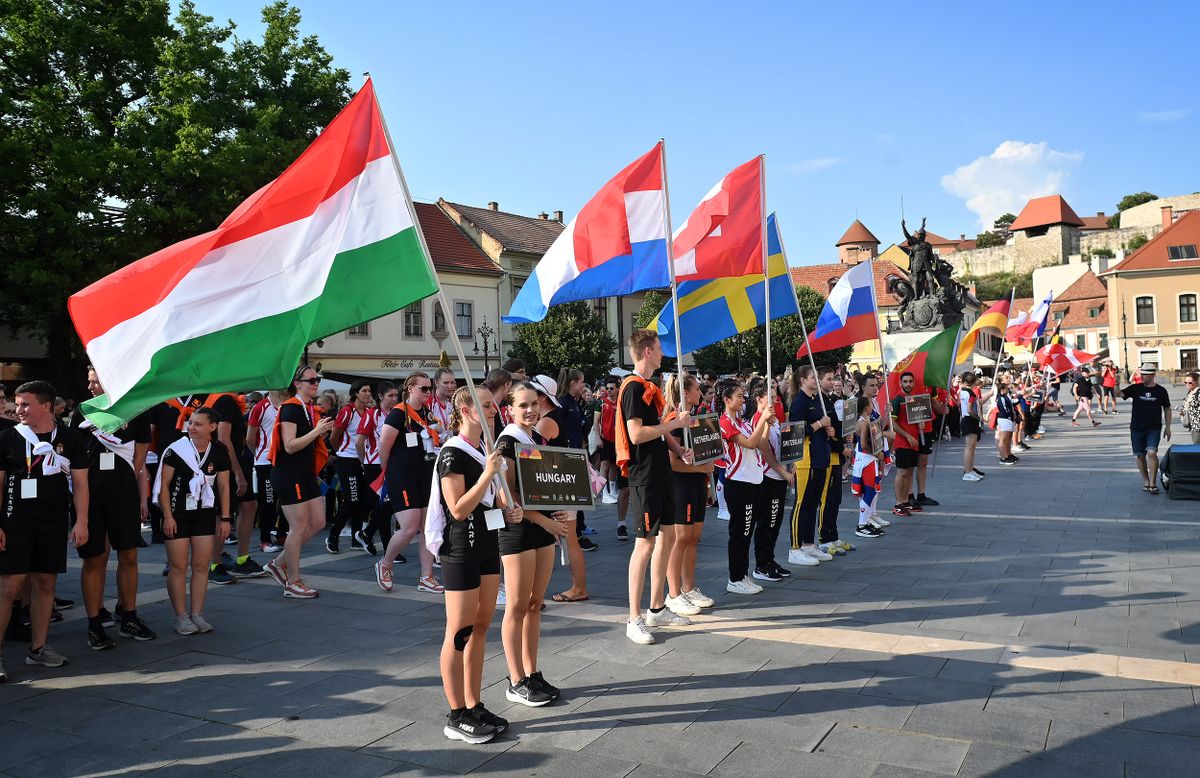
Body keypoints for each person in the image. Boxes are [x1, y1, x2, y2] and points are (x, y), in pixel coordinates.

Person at [432, 385, 516, 743]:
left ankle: (473, 702)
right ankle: (455, 714)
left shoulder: (484, 450)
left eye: (493, 405)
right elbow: (457, 508)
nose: (492, 410)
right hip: (460, 547)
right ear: (466, 411)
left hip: (485, 542)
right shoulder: (453, 452)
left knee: (481, 626)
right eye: (485, 406)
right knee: (459, 630)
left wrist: (505, 508)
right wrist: (487, 473)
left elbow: (486, 504)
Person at [0, 381, 90, 680]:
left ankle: (38, 648)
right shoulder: (8, 438)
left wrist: (81, 521)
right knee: (9, 587)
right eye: (17, 403)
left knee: (45, 585)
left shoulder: (70, 438)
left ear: (46, 406)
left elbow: (80, 484)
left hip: (52, 521)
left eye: (25, 403)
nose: (19, 409)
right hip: (15, 522)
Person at [71, 368, 156, 648]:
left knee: (129, 556)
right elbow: (73, 458)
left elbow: (139, 459)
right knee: (95, 559)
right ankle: (95, 623)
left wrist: (135, 495)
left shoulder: (136, 410)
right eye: (90, 380)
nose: (90, 385)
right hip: (91, 498)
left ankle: (129, 615)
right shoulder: (84, 412)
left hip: (124, 497)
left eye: (95, 380)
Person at [617, 330, 692, 645]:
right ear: (647, 351)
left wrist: (678, 448)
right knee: (645, 544)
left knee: (669, 536)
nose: (662, 354)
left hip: (660, 471)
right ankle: (634, 618)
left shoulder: (649, 387)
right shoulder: (634, 388)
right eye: (659, 349)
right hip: (644, 475)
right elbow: (637, 434)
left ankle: (657, 607)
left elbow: (658, 431)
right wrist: (674, 425)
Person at [495, 383, 566, 707]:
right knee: (518, 606)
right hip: (520, 533)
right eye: (523, 405)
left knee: (535, 604)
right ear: (509, 408)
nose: (530, 410)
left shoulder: (534, 439)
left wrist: (560, 505)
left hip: (542, 530)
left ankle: (532, 671)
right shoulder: (507, 441)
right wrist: (546, 520)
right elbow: (506, 497)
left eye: (534, 404)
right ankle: (515, 679)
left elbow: (543, 487)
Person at [157, 407, 230, 635]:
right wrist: (167, 516)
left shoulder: (219, 450)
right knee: (178, 566)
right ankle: (181, 616)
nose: (192, 427)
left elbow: (224, 486)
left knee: (201, 566)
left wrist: (226, 518)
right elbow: (163, 486)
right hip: (177, 514)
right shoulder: (175, 449)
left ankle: (197, 613)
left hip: (204, 513)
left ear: (212, 427)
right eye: (191, 422)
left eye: (198, 423)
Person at [263, 365, 333, 599]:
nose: (315, 384)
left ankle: (278, 564)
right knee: (299, 527)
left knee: (318, 522)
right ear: (298, 383)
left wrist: (319, 433)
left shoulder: (306, 407)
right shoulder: (291, 407)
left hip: (303, 472)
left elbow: (304, 444)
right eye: (311, 380)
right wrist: (317, 432)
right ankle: (293, 581)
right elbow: (290, 445)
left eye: (317, 380)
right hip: (288, 473)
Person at [374, 373, 442, 594]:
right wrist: (390, 472)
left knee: (427, 527)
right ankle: (385, 563)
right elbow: (383, 448)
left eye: (429, 389)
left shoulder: (427, 412)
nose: (428, 392)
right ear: (410, 388)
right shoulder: (398, 413)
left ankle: (426, 576)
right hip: (402, 475)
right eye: (424, 388)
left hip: (425, 473)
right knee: (409, 527)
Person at [662, 374, 714, 614]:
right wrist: (703, 468)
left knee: (694, 537)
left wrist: (708, 479)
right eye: (696, 390)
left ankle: (689, 587)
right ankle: (673, 593)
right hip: (680, 485)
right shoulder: (674, 420)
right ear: (685, 393)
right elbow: (672, 463)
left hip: (696, 483)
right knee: (681, 539)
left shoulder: (694, 419)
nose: (700, 394)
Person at [207, 390, 263, 581]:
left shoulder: (228, 400)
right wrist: (237, 472)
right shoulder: (224, 400)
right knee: (223, 515)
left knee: (249, 506)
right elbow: (223, 438)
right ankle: (214, 565)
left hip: (234, 462)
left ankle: (242, 560)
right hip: (226, 465)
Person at [787, 365, 835, 565]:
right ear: (802, 381)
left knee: (813, 503)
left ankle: (808, 545)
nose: (816, 380)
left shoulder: (819, 401)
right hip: (806, 460)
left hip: (821, 456)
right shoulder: (798, 403)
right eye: (813, 377)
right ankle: (794, 548)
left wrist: (828, 430)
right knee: (801, 504)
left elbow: (822, 426)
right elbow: (796, 432)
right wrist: (819, 425)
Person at [750, 378, 795, 580]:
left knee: (776, 521)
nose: (774, 399)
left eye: (776, 395)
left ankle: (770, 559)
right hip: (767, 477)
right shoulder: (757, 420)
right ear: (759, 398)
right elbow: (764, 449)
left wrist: (791, 462)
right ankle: (761, 564)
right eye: (770, 396)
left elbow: (784, 444)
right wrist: (782, 471)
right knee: (766, 522)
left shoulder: (775, 419)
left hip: (779, 476)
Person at [325, 380, 374, 554]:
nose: (368, 394)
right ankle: (333, 535)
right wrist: (341, 452)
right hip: (347, 460)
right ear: (355, 393)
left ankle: (355, 538)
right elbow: (334, 437)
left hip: (363, 460)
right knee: (351, 499)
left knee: (361, 500)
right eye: (364, 390)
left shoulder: (369, 412)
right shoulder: (347, 412)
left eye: (369, 391)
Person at [1120, 363, 1173, 494]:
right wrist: (1116, 384)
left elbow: (1167, 408)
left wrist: (1168, 427)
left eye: (1144, 374)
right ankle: (1146, 481)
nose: (1142, 376)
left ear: (1152, 375)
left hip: (1153, 428)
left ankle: (1153, 483)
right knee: (1140, 455)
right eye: (1141, 374)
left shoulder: (1161, 391)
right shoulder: (1135, 388)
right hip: (1136, 428)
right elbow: (1119, 394)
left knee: (1151, 452)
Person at [247, 389, 288, 553]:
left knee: (287, 499)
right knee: (268, 501)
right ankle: (265, 540)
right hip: (265, 461)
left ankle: (281, 534)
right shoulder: (260, 407)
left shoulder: (288, 405)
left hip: (285, 461)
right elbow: (250, 438)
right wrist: (259, 454)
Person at [358, 381, 398, 551]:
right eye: (390, 395)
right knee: (382, 505)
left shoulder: (398, 413)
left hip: (391, 464)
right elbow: (359, 442)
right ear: (380, 396)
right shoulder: (372, 415)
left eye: (396, 395)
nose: (394, 399)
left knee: (389, 505)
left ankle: (366, 532)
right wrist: (364, 461)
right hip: (374, 466)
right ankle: (389, 549)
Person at [816, 367, 851, 554]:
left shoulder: (830, 400)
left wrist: (844, 439)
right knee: (827, 499)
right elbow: (826, 433)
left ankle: (833, 536)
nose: (832, 382)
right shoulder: (819, 402)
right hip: (828, 455)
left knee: (835, 499)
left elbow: (835, 428)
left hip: (836, 456)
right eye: (828, 379)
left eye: (833, 379)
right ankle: (825, 539)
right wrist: (841, 447)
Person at [850, 397, 886, 538]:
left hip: (865, 459)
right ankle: (862, 525)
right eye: (871, 405)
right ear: (867, 408)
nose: (872, 407)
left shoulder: (861, 421)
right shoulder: (863, 423)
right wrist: (878, 455)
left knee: (869, 491)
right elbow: (864, 444)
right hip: (867, 460)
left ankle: (866, 522)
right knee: (870, 491)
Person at [959, 372, 985, 482]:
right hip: (970, 420)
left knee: (971, 448)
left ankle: (969, 469)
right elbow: (970, 410)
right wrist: (978, 418)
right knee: (970, 448)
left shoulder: (962, 392)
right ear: (973, 381)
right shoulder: (970, 394)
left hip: (966, 419)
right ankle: (968, 472)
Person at [994, 382, 1018, 465]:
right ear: (1002, 390)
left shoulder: (1005, 396)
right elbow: (1006, 409)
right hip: (1004, 419)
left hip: (1008, 419)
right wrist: (1011, 415)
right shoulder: (1001, 398)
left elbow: (1011, 404)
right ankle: (1003, 458)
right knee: (1003, 440)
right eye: (1007, 389)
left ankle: (1008, 455)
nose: (1008, 390)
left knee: (1008, 439)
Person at [1182, 371, 1200, 445]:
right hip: (1192, 425)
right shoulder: (1190, 392)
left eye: (1190, 383)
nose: (1187, 385)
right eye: (1185, 382)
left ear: (1196, 382)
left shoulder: (1198, 393)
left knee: (1197, 447)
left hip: (1198, 425)